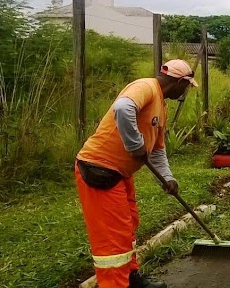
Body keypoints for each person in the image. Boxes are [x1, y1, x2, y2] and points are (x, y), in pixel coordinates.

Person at [75, 59, 197, 288]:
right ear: (180, 82)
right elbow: (122, 108)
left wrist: (168, 178)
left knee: (128, 225)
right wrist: (134, 145)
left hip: (120, 173)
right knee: (112, 240)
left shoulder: (161, 106)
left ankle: (131, 278)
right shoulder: (146, 86)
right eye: (188, 86)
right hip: (99, 169)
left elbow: (157, 150)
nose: (187, 91)